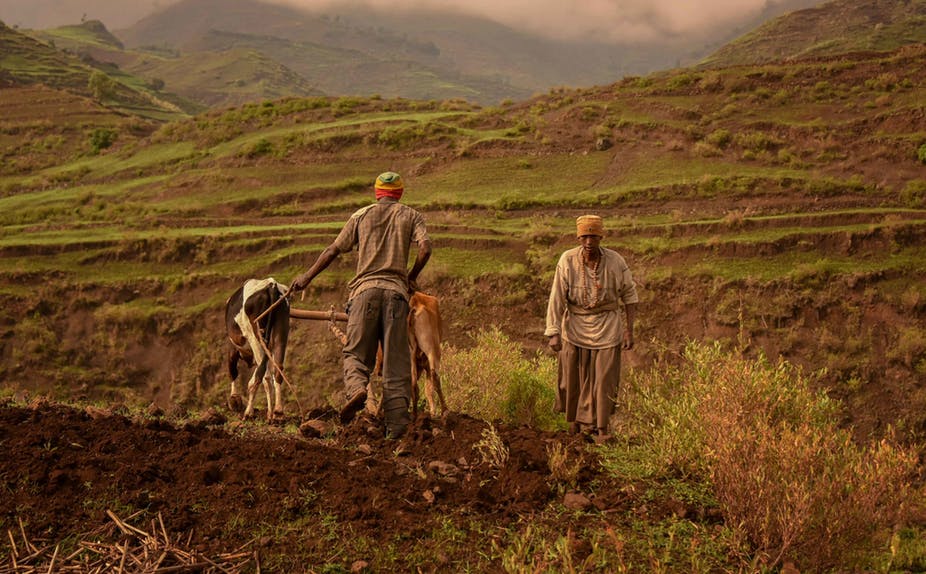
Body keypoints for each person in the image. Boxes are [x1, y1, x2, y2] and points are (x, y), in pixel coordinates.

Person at [289, 171, 431, 439]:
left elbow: (333, 250)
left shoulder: (360, 216)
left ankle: (357, 390)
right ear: (400, 193)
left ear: (377, 193)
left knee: (355, 354)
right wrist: (410, 277)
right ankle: (397, 429)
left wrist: (305, 278)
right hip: (396, 296)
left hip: (363, 294)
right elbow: (425, 248)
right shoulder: (412, 215)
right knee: (396, 364)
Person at [544, 214, 639, 443]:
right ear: (578, 238)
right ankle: (576, 425)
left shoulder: (616, 261)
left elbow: (630, 296)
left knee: (604, 380)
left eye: (593, 237)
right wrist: (553, 331)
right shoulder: (567, 260)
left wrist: (629, 330)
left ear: (601, 237)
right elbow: (557, 297)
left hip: (608, 327)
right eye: (584, 237)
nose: (589, 242)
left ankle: (602, 427)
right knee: (573, 378)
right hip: (575, 327)